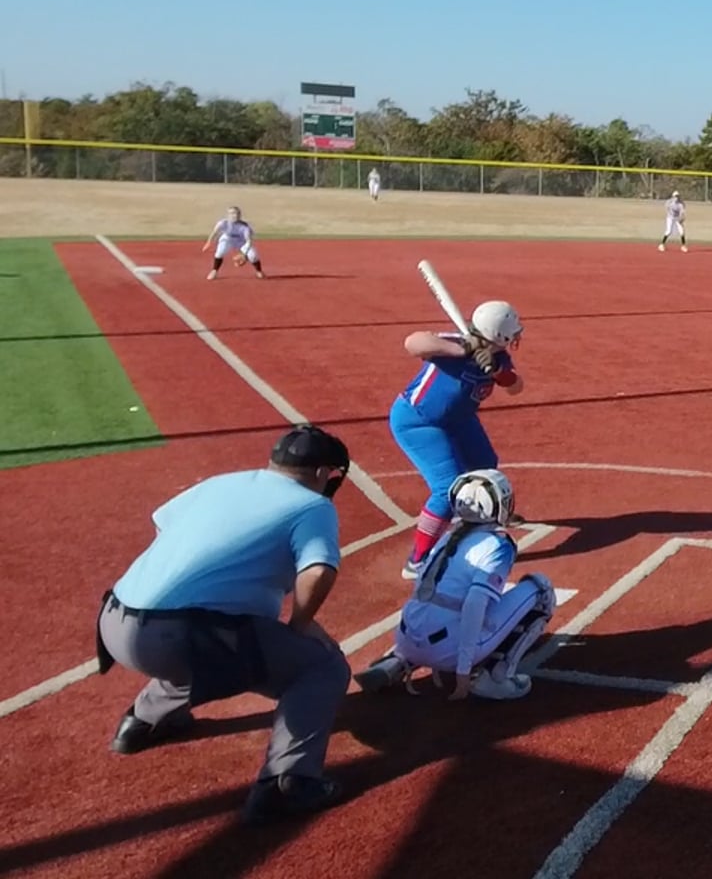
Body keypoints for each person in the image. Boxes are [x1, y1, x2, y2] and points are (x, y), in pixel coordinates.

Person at [94, 425, 353, 825]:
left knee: (220, 641)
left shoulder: (222, 482)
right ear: (322, 473)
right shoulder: (312, 506)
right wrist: (301, 623)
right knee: (322, 666)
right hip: (179, 637)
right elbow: (318, 570)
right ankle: (287, 782)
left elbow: (163, 522)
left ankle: (141, 723)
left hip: (114, 620)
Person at [355, 469, 557, 701]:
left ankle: (397, 661)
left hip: (406, 639)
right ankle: (494, 677)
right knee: (542, 589)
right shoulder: (497, 546)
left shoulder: (447, 538)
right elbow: (474, 604)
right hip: (446, 650)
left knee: (438, 606)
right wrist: (463, 669)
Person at [389, 301, 525, 580]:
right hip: (419, 421)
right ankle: (417, 561)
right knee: (446, 488)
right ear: (499, 335)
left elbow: (515, 387)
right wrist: (462, 349)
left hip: (459, 419)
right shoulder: (453, 344)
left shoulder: (498, 358)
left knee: (485, 466)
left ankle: (475, 522)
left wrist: (496, 371)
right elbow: (413, 343)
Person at [203, 205, 265, 280]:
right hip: (228, 238)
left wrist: (244, 255)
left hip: (242, 241)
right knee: (220, 252)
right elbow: (214, 232)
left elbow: (249, 241)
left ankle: (259, 271)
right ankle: (214, 271)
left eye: (237, 213)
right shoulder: (223, 223)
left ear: (240, 215)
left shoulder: (245, 226)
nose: (235, 215)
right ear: (228, 215)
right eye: (232, 213)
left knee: (253, 256)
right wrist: (208, 242)